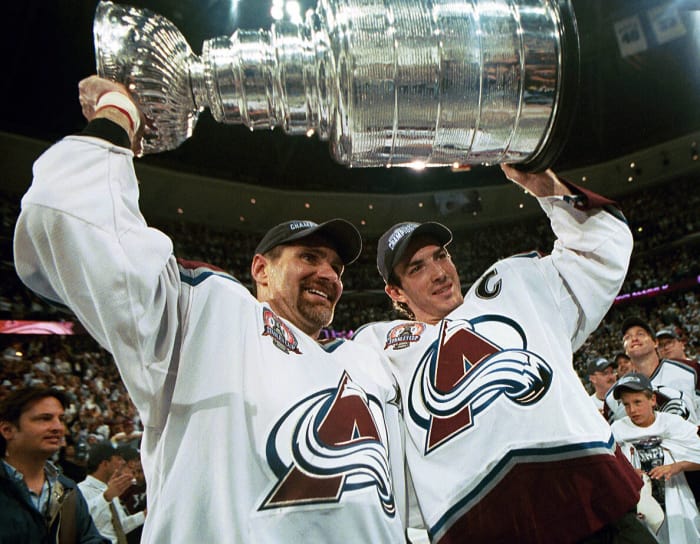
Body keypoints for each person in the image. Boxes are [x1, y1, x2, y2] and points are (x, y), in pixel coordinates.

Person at [13, 76, 406, 542]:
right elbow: (65, 215)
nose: (329, 274)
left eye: (337, 266)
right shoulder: (213, 313)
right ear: (261, 269)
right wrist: (119, 111)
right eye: (309, 257)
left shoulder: (365, 361)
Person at [353, 167, 653, 542]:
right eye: (417, 267)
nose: (439, 272)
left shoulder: (513, 287)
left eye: (441, 255)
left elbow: (602, 249)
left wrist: (546, 187)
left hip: (596, 512)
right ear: (395, 293)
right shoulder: (381, 350)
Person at [0, 386, 107, 543]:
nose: (58, 427)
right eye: (45, 418)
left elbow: (90, 539)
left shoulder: (66, 489)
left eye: (61, 419)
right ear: (7, 430)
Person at [611, 372, 700, 544]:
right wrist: (627, 472)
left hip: (677, 497)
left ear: (652, 399)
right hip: (639, 503)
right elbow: (608, 466)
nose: (632, 410)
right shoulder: (616, 430)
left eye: (638, 402)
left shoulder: (673, 424)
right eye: (626, 404)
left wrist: (678, 466)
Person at [605, 317, 699, 423]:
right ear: (625, 349)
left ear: (655, 343)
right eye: (627, 337)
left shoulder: (691, 371)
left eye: (640, 334)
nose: (634, 339)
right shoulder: (612, 397)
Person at [78, 443, 145, 544]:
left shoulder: (110, 488)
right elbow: (82, 522)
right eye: (118, 459)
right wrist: (106, 497)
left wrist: (145, 514)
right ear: (105, 464)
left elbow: (120, 526)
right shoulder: (80, 490)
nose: (122, 462)